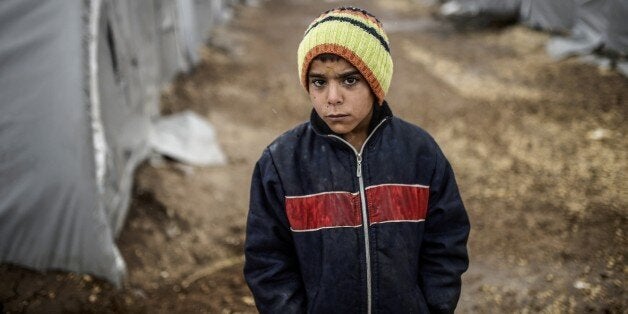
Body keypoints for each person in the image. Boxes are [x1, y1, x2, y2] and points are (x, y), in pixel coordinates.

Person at [244, 6, 470, 314]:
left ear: (376, 83)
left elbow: (446, 244)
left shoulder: (419, 154)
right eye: (319, 82)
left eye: (349, 80)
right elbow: (267, 262)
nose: (332, 97)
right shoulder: (282, 163)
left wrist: (433, 306)